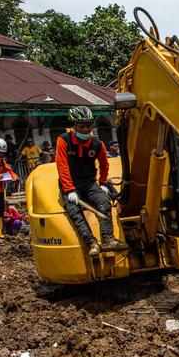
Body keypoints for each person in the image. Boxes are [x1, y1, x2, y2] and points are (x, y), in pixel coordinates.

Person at [54, 105, 127, 256]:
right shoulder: (63, 141)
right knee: (75, 212)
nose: (86, 129)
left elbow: (104, 165)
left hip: (89, 183)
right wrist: (69, 190)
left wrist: (104, 184)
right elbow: (62, 166)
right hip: (71, 183)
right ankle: (91, 243)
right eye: (82, 126)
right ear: (75, 126)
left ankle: (108, 239)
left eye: (88, 126)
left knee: (104, 202)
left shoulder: (97, 144)